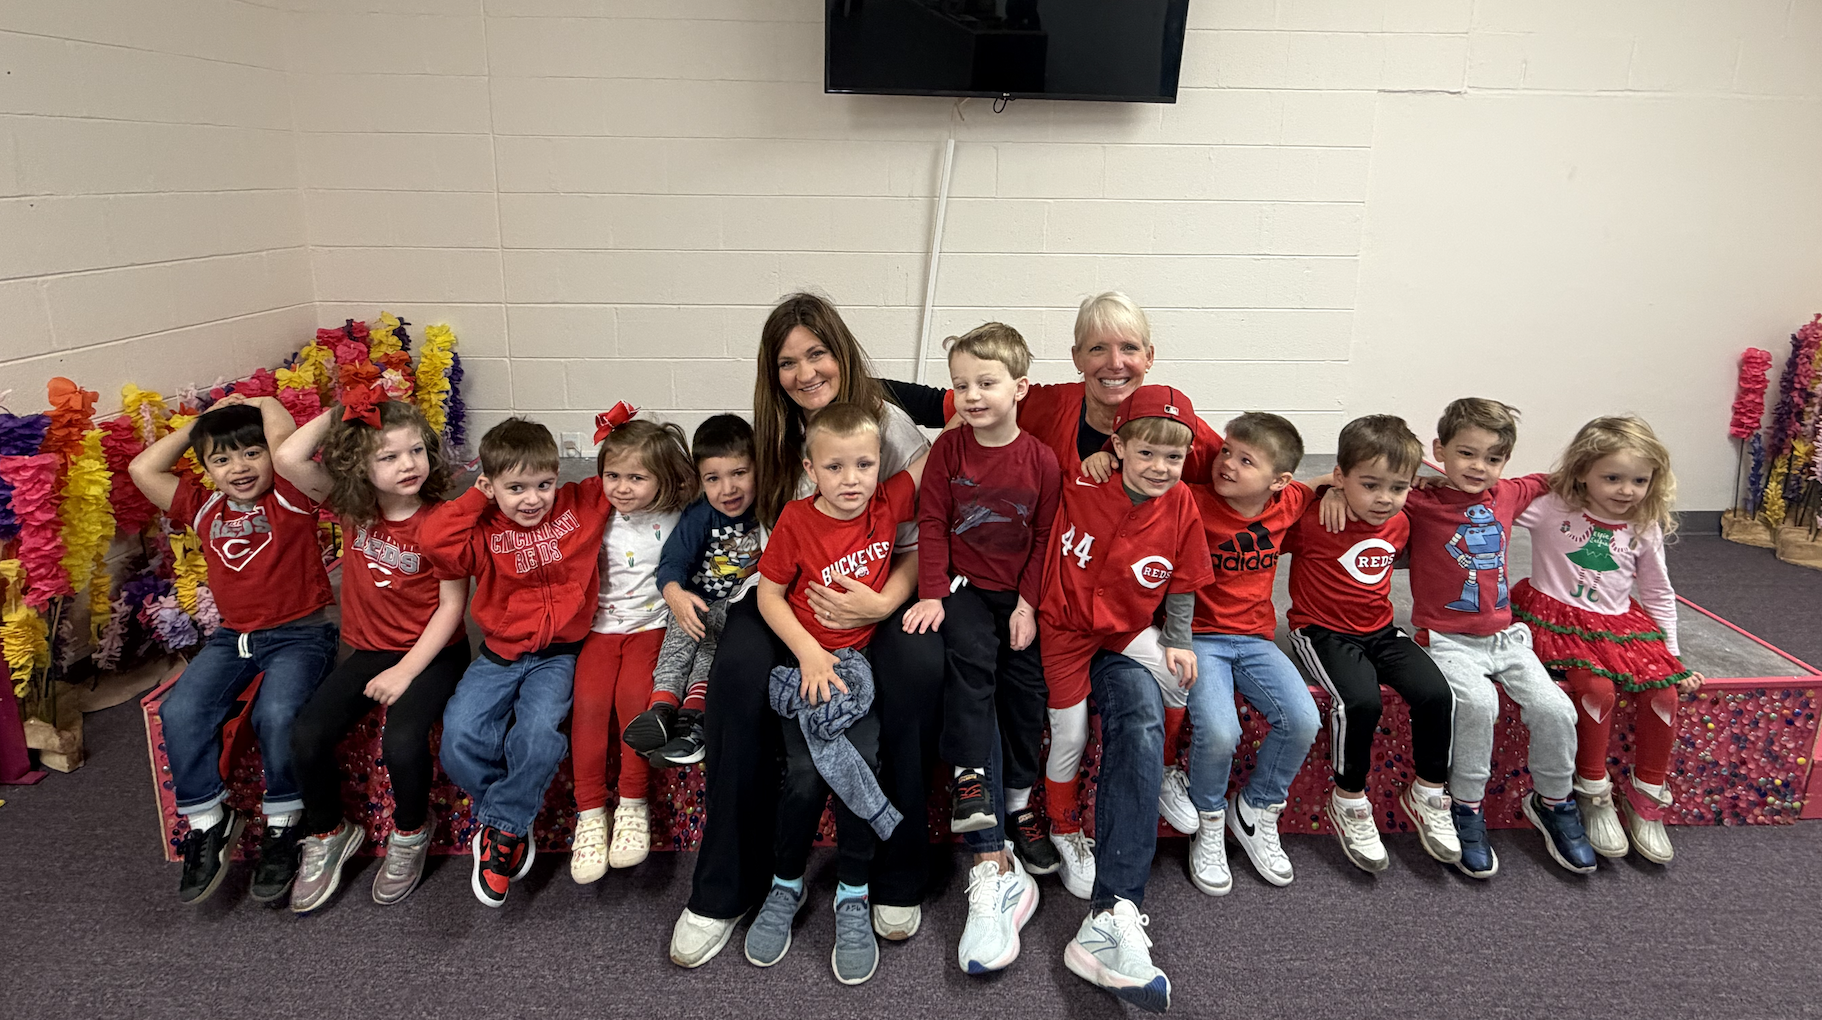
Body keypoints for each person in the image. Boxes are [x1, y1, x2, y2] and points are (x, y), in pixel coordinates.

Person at [670, 293, 942, 969]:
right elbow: (769, 575)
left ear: (840, 352)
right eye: (788, 362)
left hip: (878, 593)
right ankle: (725, 888)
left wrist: (882, 605)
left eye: (816, 353)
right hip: (789, 600)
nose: (805, 372)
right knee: (736, 669)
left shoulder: (885, 423)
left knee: (918, 667)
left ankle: (895, 876)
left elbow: (917, 537)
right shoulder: (774, 436)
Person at [744, 403, 928, 985]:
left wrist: (964, 402)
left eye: (864, 465)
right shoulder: (797, 520)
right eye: (835, 467)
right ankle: (786, 884)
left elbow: (934, 457)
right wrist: (807, 653)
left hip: (857, 669)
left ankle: (853, 891)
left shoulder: (886, 502)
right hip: (807, 666)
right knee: (804, 773)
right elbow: (769, 595)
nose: (852, 480)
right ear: (810, 470)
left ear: (879, 464)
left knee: (861, 767)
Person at [129, 395, 339, 905]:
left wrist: (262, 401)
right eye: (221, 459)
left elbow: (286, 446)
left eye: (251, 453)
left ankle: (284, 821)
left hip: (300, 634)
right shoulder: (203, 506)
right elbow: (142, 468)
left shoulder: (290, 494)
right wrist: (200, 426)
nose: (239, 467)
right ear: (205, 469)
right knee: (180, 710)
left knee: (277, 713)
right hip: (233, 637)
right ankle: (209, 821)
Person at [1047, 386, 1212, 1013]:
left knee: (1175, 679)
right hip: (1065, 630)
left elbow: (1184, 580)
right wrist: (1026, 609)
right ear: (1117, 446)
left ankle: (1165, 772)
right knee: (1069, 735)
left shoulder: (1182, 503)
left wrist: (1179, 640)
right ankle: (1064, 826)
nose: (1160, 468)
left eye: (1174, 457)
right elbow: (1036, 538)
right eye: (1146, 453)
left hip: (1122, 632)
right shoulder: (1082, 481)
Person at [899, 323, 1058, 974]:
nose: (970, 396)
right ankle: (973, 780)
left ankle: (1017, 798)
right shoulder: (948, 449)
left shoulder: (1041, 460)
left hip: (1015, 594)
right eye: (960, 384)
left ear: (1019, 388)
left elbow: (1045, 536)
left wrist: (1028, 605)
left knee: (1026, 688)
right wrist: (934, 593)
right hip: (962, 588)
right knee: (971, 667)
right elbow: (933, 521)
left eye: (985, 383)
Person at [1378, 398, 1591, 878]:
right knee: (1477, 705)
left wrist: (1606, 480)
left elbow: (1553, 479)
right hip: (1447, 639)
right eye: (1467, 453)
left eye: (1493, 458)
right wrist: (1332, 489)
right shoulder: (1421, 501)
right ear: (1440, 451)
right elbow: (1365, 484)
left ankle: (1555, 801)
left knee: (1557, 708)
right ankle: (1466, 805)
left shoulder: (1508, 493)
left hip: (1506, 639)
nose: (1479, 467)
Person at [276, 396, 470, 913]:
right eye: (388, 456)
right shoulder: (352, 507)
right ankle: (329, 832)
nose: (408, 464)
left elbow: (452, 606)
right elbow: (288, 458)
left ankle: (411, 831)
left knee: (401, 741)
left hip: (434, 653)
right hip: (369, 650)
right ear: (357, 464)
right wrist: (348, 410)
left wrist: (406, 671)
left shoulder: (442, 520)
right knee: (306, 734)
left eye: (416, 451)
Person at [421, 417, 612, 908]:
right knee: (458, 737)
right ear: (490, 485)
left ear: (557, 476)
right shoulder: (483, 527)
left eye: (543, 484)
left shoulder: (578, 506)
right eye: (516, 488)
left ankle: (500, 829)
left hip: (559, 655)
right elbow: (433, 542)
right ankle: (507, 818)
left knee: (537, 736)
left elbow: (626, 474)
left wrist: (618, 434)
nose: (532, 499)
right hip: (499, 654)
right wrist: (475, 498)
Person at [1511, 416, 1705, 865]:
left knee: (1664, 692)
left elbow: (1657, 591)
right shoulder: (1552, 507)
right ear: (1582, 471)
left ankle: (1647, 795)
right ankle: (1593, 792)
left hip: (1620, 625)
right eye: (1612, 478)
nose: (1626, 490)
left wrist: (1672, 656)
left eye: (1639, 480)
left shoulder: (1643, 525)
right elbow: (1491, 499)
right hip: (1559, 620)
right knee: (1596, 690)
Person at [1282, 415, 1458, 874]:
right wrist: (1323, 491)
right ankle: (1349, 798)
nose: (1384, 498)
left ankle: (1428, 791)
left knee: (1438, 694)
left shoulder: (1400, 522)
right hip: (1321, 631)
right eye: (1370, 485)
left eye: (1397, 487)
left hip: (1380, 630)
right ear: (1341, 476)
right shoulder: (1315, 519)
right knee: (1360, 702)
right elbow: (1270, 505)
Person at [1164, 412, 1320, 896]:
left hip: (1255, 639)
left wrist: (1334, 489)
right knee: (1219, 731)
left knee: (1304, 719)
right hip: (1200, 639)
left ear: (1278, 481)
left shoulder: (1288, 502)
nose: (1227, 463)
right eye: (1227, 451)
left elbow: (1317, 487)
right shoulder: (1191, 499)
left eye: (1245, 461)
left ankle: (1255, 809)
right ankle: (1209, 817)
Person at [884, 292, 1220, 479]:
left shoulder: (1177, 426)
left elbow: (1243, 478)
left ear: (1149, 357)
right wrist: (856, 384)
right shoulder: (1048, 404)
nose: (1115, 363)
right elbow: (934, 404)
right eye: (1097, 348)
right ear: (1077, 358)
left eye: (1129, 348)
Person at [570, 413, 697, 882]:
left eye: (636, 478)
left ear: (662, 478)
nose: (621, 488)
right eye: (613, 475)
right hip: (600, 630)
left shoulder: (680, 516)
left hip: (652, 628)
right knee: (588, 706)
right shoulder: (595, 513)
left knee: (632, 704)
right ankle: (589, 814)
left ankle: (631, 804)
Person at [622, 414, 763, 769]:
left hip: (738, 610)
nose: (727, 489)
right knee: (679, 641)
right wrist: (675, 595)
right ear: (700, 481)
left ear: (758, 469)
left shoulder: (767, 511)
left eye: (739, 473)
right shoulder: (701, 515)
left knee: (710, 652)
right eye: (713, 479)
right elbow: (672, 561)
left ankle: (693, 719)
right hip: (696, 600)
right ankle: (661, 708)